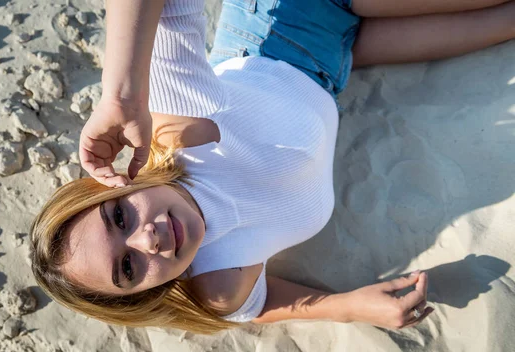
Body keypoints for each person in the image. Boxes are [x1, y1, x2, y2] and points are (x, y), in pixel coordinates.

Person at [30, 0, 515, 334]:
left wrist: (120, 95)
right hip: (339, 64)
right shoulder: (220, 282)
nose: (148, 239)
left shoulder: (181, 128)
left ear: (119, 184)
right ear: (145, 292)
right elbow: (255, 307)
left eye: (119, 217)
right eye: (129, 267)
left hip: (285, 19)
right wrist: (346, 309)